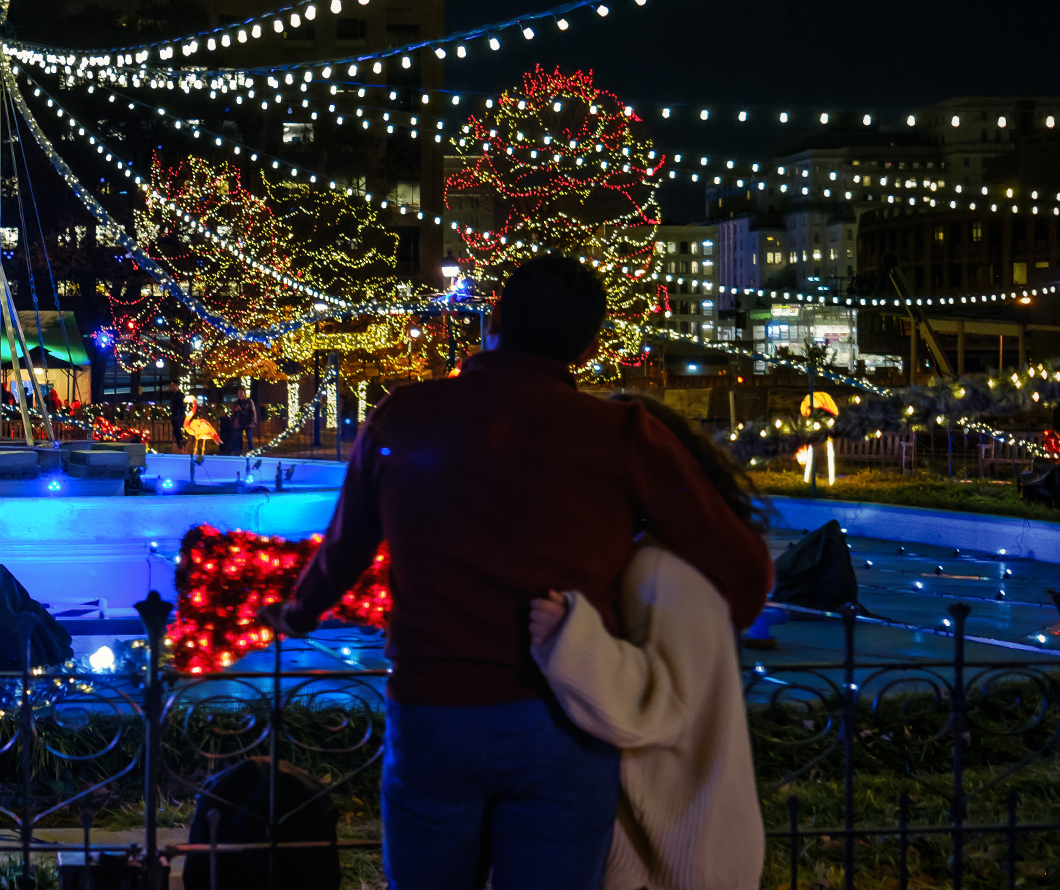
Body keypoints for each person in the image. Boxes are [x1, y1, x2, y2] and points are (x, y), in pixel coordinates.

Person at [260, 255, 773, 890]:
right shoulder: (620, 433)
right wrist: (701, 640)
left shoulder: (404, 414)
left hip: (434, 710)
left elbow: (345, 548)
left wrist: (297, 612)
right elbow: (743, 565)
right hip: (561, 719)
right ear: (587, 347)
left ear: (494, 313)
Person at [528, 396, 768, 890]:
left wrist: (568, 637)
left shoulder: (658, 571)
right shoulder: (678, 557)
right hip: (689, 844)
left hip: (674, 854)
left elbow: (656, 707)